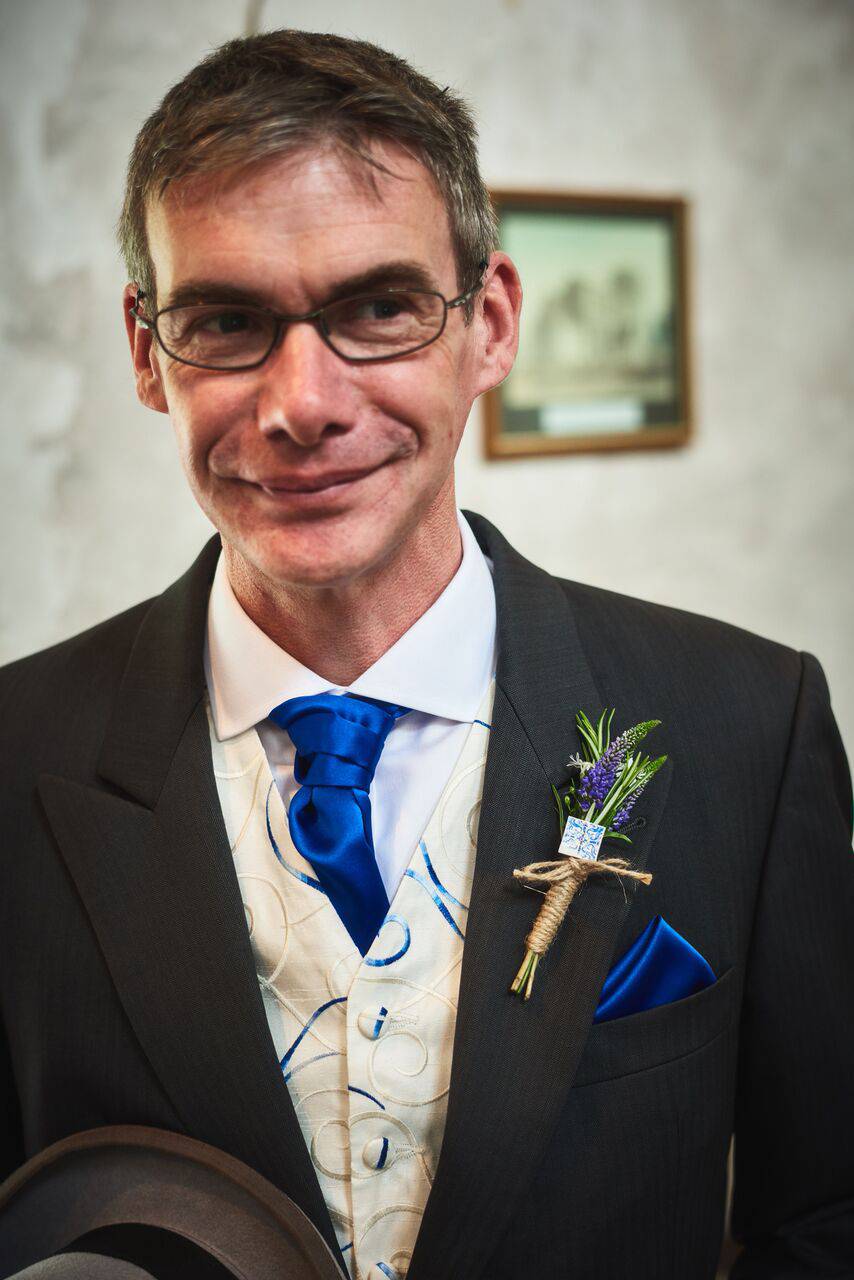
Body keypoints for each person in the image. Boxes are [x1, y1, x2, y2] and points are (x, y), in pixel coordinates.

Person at [1, 28, 852, 1280]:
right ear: (146, 351)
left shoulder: (746, 719)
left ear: (488, 323)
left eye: (378, 308)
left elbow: (825, 1215)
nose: (302, 401)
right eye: (227, 319)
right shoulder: (18, 756)